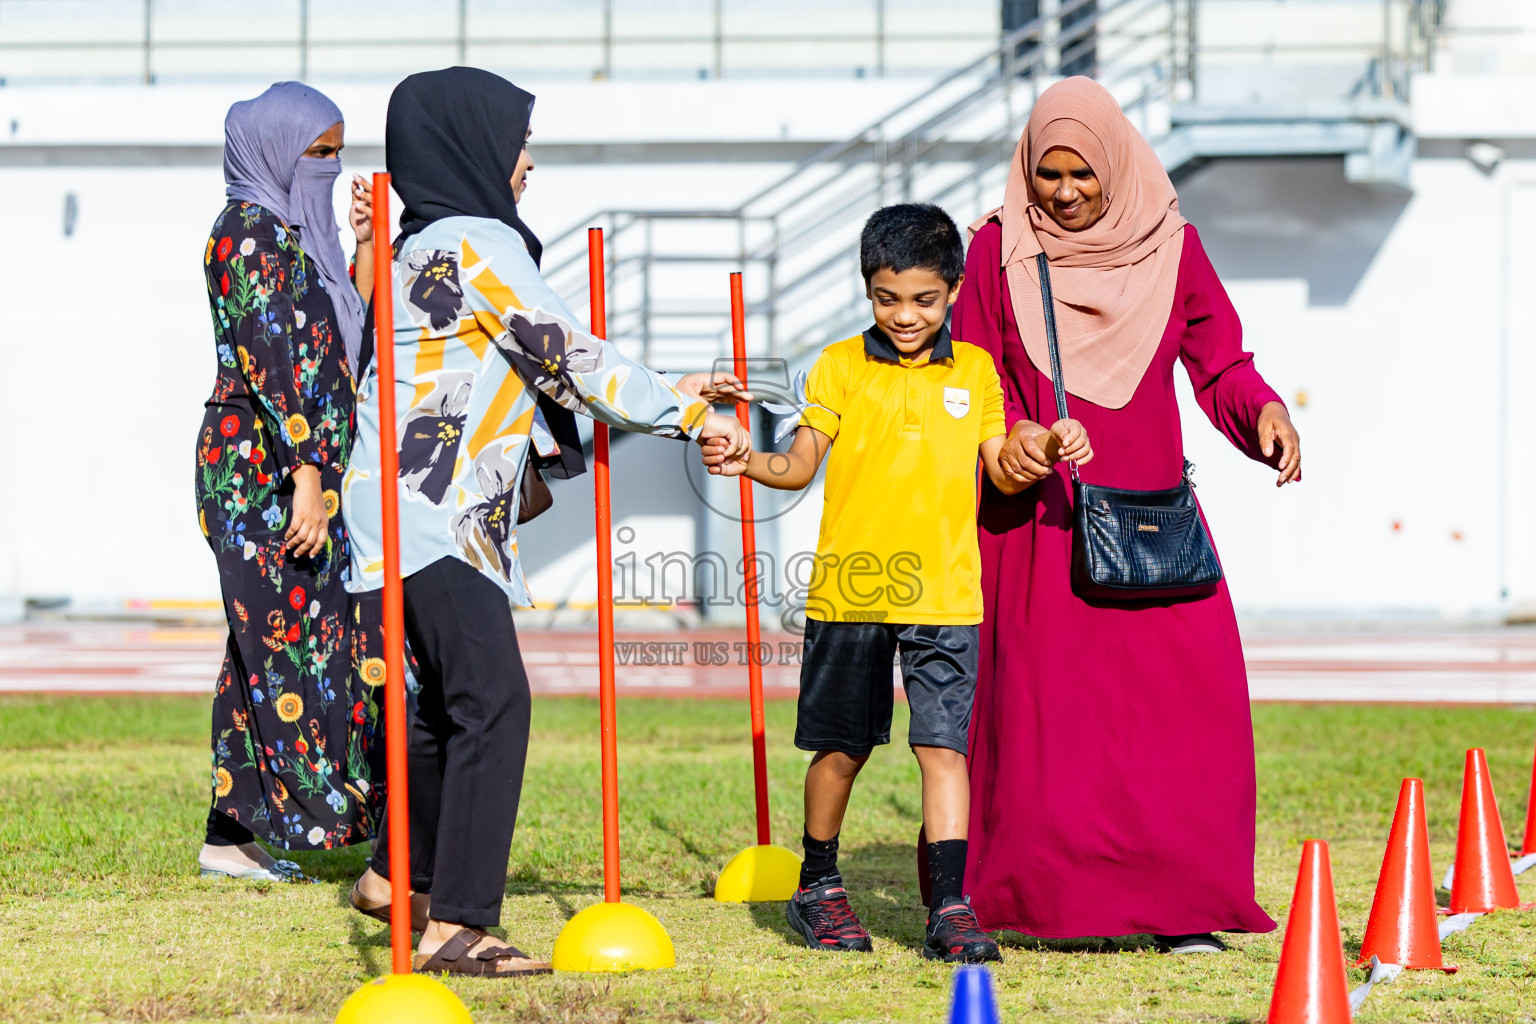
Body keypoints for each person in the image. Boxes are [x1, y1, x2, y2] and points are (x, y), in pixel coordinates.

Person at [342, 67, 751, 977]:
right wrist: (687, 414)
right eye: (519, 142)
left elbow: (536, 357)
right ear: (473, 145)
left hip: (394, 508)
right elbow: (564, 354)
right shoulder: (477, 239)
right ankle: (458, 923)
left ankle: (391, 877)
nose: (528, 164)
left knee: (447, 710)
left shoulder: (422, 243)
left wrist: (662, 390)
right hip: (434, 509)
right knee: (494, 700)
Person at [953, 77, 1299, 952]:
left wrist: (1264, 415)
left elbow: (1221, 362)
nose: (1063, 193)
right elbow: (968, 383)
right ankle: (1049, 905)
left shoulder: (1172, 248)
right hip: (1039, 526)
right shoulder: (996, 255)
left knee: (1187, 714)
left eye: (1082, 175)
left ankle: (1183, 905)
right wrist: (1013, 441)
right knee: (1048, 724)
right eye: (1047, 175)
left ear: (1116, 164)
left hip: (1153, 527)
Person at [717, 203, 1089, 963]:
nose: (906, 314)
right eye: (888, 298)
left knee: (942, 750)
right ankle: (817, 885)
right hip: (851, 593)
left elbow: (1002, 468)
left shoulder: (977, 371)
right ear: (868, 291)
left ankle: (950, 908)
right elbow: (797, 465)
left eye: (923, 298)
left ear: (952, 289)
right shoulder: (837, 368)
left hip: (948, 596)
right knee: (842, 750)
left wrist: (1046, 446)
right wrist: (746, 458)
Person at [195, 82, 381, 880]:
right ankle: (318, 816)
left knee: (266, 652)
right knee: (289, 655)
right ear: (274, 152)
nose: (334, 169)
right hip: (260, 478)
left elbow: (346, 348)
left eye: (339, 152)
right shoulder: (245, 234)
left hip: (306, 476)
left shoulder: (302, 238)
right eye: (320, 153)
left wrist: (364, 250)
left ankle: (230, 837)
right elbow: (273, 363)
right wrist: (306, 474)